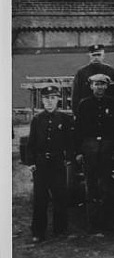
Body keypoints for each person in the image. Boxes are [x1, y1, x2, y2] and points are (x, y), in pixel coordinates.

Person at [25, 85, 75, 242]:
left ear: (58, 100)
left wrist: (69, 158)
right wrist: (31, 162)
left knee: (60, 196)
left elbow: (70, 142)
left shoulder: (65, 119)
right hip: (40, 164)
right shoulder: (37, 120)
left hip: (57, 162)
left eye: (53, 98)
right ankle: (38, 231)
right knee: (40, 197)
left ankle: (60, 229)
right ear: (42, 100)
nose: (49, 102)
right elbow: (31, 143)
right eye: (46, 98)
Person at [75, 73, 114, 233]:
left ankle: (108, 222)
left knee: (106, 185)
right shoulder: (84, 104)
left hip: (106, 148)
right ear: (91, 86)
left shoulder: (113, 103)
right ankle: (93, 223)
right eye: (96, 84)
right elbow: (78, 129)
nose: (100, 87)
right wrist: (79, 151)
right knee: (91, 185)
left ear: (107, 86)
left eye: (103, 84)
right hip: (89, 146)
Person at [71, 44, 114, 115]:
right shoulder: (81, 73)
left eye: (99, 55)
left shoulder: (111, 72)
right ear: (89, 55)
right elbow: (75, 95)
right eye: (93, 55)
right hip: (88, 111)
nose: (96, 58)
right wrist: (76, 113)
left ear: (103, 55)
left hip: (107, 112)